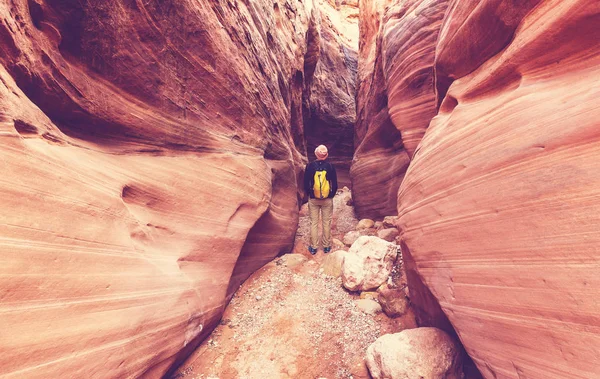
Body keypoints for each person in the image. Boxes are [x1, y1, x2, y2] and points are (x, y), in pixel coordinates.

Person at [303, 144, 338, 255]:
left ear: (316, 154)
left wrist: (310, 194)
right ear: (326, 155)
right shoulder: (330, 167)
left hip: (313, 199)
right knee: (326, 223)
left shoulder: (310, 166)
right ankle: (326, 247)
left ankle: (313, 248)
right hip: (327, 199)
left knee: (313, 223)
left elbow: (305, 183)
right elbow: (335, 184)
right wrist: (331, 195)